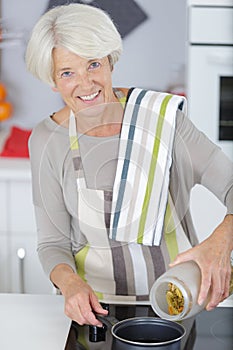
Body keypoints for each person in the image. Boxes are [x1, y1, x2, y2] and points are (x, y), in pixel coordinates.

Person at [25, 3, 233, 348]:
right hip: (95, 315)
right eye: (67, 73)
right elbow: (52, 244)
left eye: (93, 64)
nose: (85, 83)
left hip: (177, 303)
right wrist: (69, 283)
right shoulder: (48, 140)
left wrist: (221, 240)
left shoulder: (165, 120)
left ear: (110, 60)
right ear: (52, 80)